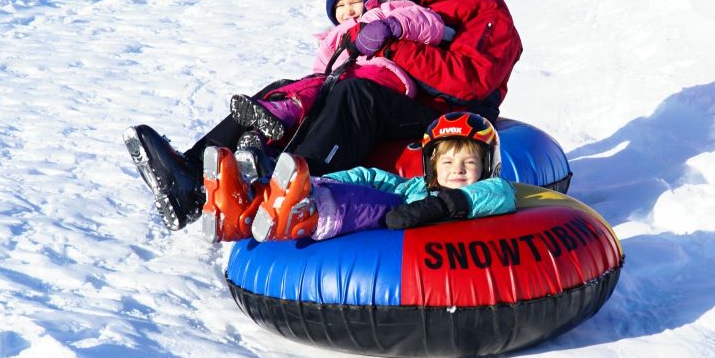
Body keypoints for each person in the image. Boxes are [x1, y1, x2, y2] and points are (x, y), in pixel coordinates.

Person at [126, 0, 522, 233]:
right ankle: (191, 174)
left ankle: (293, 183)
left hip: (449, 118)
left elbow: (468, 81)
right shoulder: (414, 7)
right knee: (294, 89)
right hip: (406, 98)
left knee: (356, 95)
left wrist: (391, 44)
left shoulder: (486, 9)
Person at [227, 0, 453, 181]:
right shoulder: (332, 38)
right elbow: (319, 73)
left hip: (381, 77)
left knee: (334, 88)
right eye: (340, 5)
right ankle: (264, 150)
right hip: (341, 81)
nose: (348, 11)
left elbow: (429, 23)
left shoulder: (386, 9)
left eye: (354, 1)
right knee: (314, 91)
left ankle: (284, 112)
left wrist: (392, 26)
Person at [202, 112, 515, 243]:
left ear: (488, 166)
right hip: (398, 207)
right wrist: (323, 180)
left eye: (469, 162)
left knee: (370, 205)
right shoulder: (416, 187)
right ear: (432, 166)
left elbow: (500, 194)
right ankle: (243, 209)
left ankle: (305, 214)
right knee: (363, 185)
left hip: (401, 232)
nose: (457, 169)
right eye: (446, 161)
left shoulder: (491, 191)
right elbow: (375, 178)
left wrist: (447, 205)